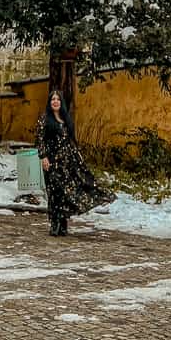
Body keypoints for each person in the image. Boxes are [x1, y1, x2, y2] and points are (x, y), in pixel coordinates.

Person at [34, 89, 112, 236]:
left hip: (68, 161)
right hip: (52, 162)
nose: (55, 101)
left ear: (61, 102)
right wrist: (43, 157)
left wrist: (77, 157)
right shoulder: (44, 119)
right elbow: (39, 140)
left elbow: (71, 141)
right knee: (54, 192)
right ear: (49, 103)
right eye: (52, 99)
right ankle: (54, 224)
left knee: (66, 192)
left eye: (58, 99)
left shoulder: (66, 119)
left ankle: (63, 224)